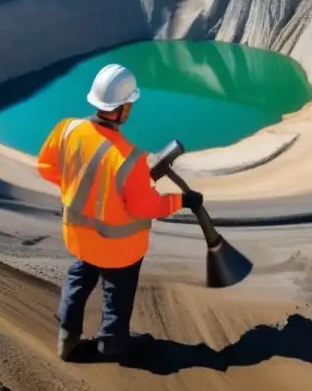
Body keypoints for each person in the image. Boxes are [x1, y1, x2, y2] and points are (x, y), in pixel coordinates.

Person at [36, 62, 203, 360]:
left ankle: (67, 333)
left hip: (78, 236)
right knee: (118, 288)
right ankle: (112, 341)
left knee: (81, 274)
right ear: (124, 108)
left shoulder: (67, 129)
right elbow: (145, 206)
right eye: (130, 104)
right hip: (119, 249)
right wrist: (181, 201)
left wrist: (78, 186)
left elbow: (46, 167)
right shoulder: (130, 158)